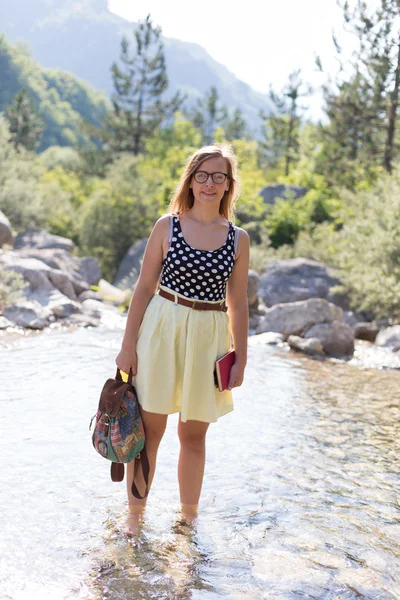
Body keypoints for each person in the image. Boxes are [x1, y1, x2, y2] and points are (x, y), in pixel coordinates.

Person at [115, 143, 249, 532]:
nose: (209, 183)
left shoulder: (238, 239)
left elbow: (238, 303)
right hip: (161, 328)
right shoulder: (166, 225)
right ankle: (135, 517)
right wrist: (127, 346)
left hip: (209, 337)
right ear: (190, 181)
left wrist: (241, 355)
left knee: (194, 433)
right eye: (202, 175)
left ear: (228, 186)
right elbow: (142, 289)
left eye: (218, 177)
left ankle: (187, 521)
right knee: (150, 431)